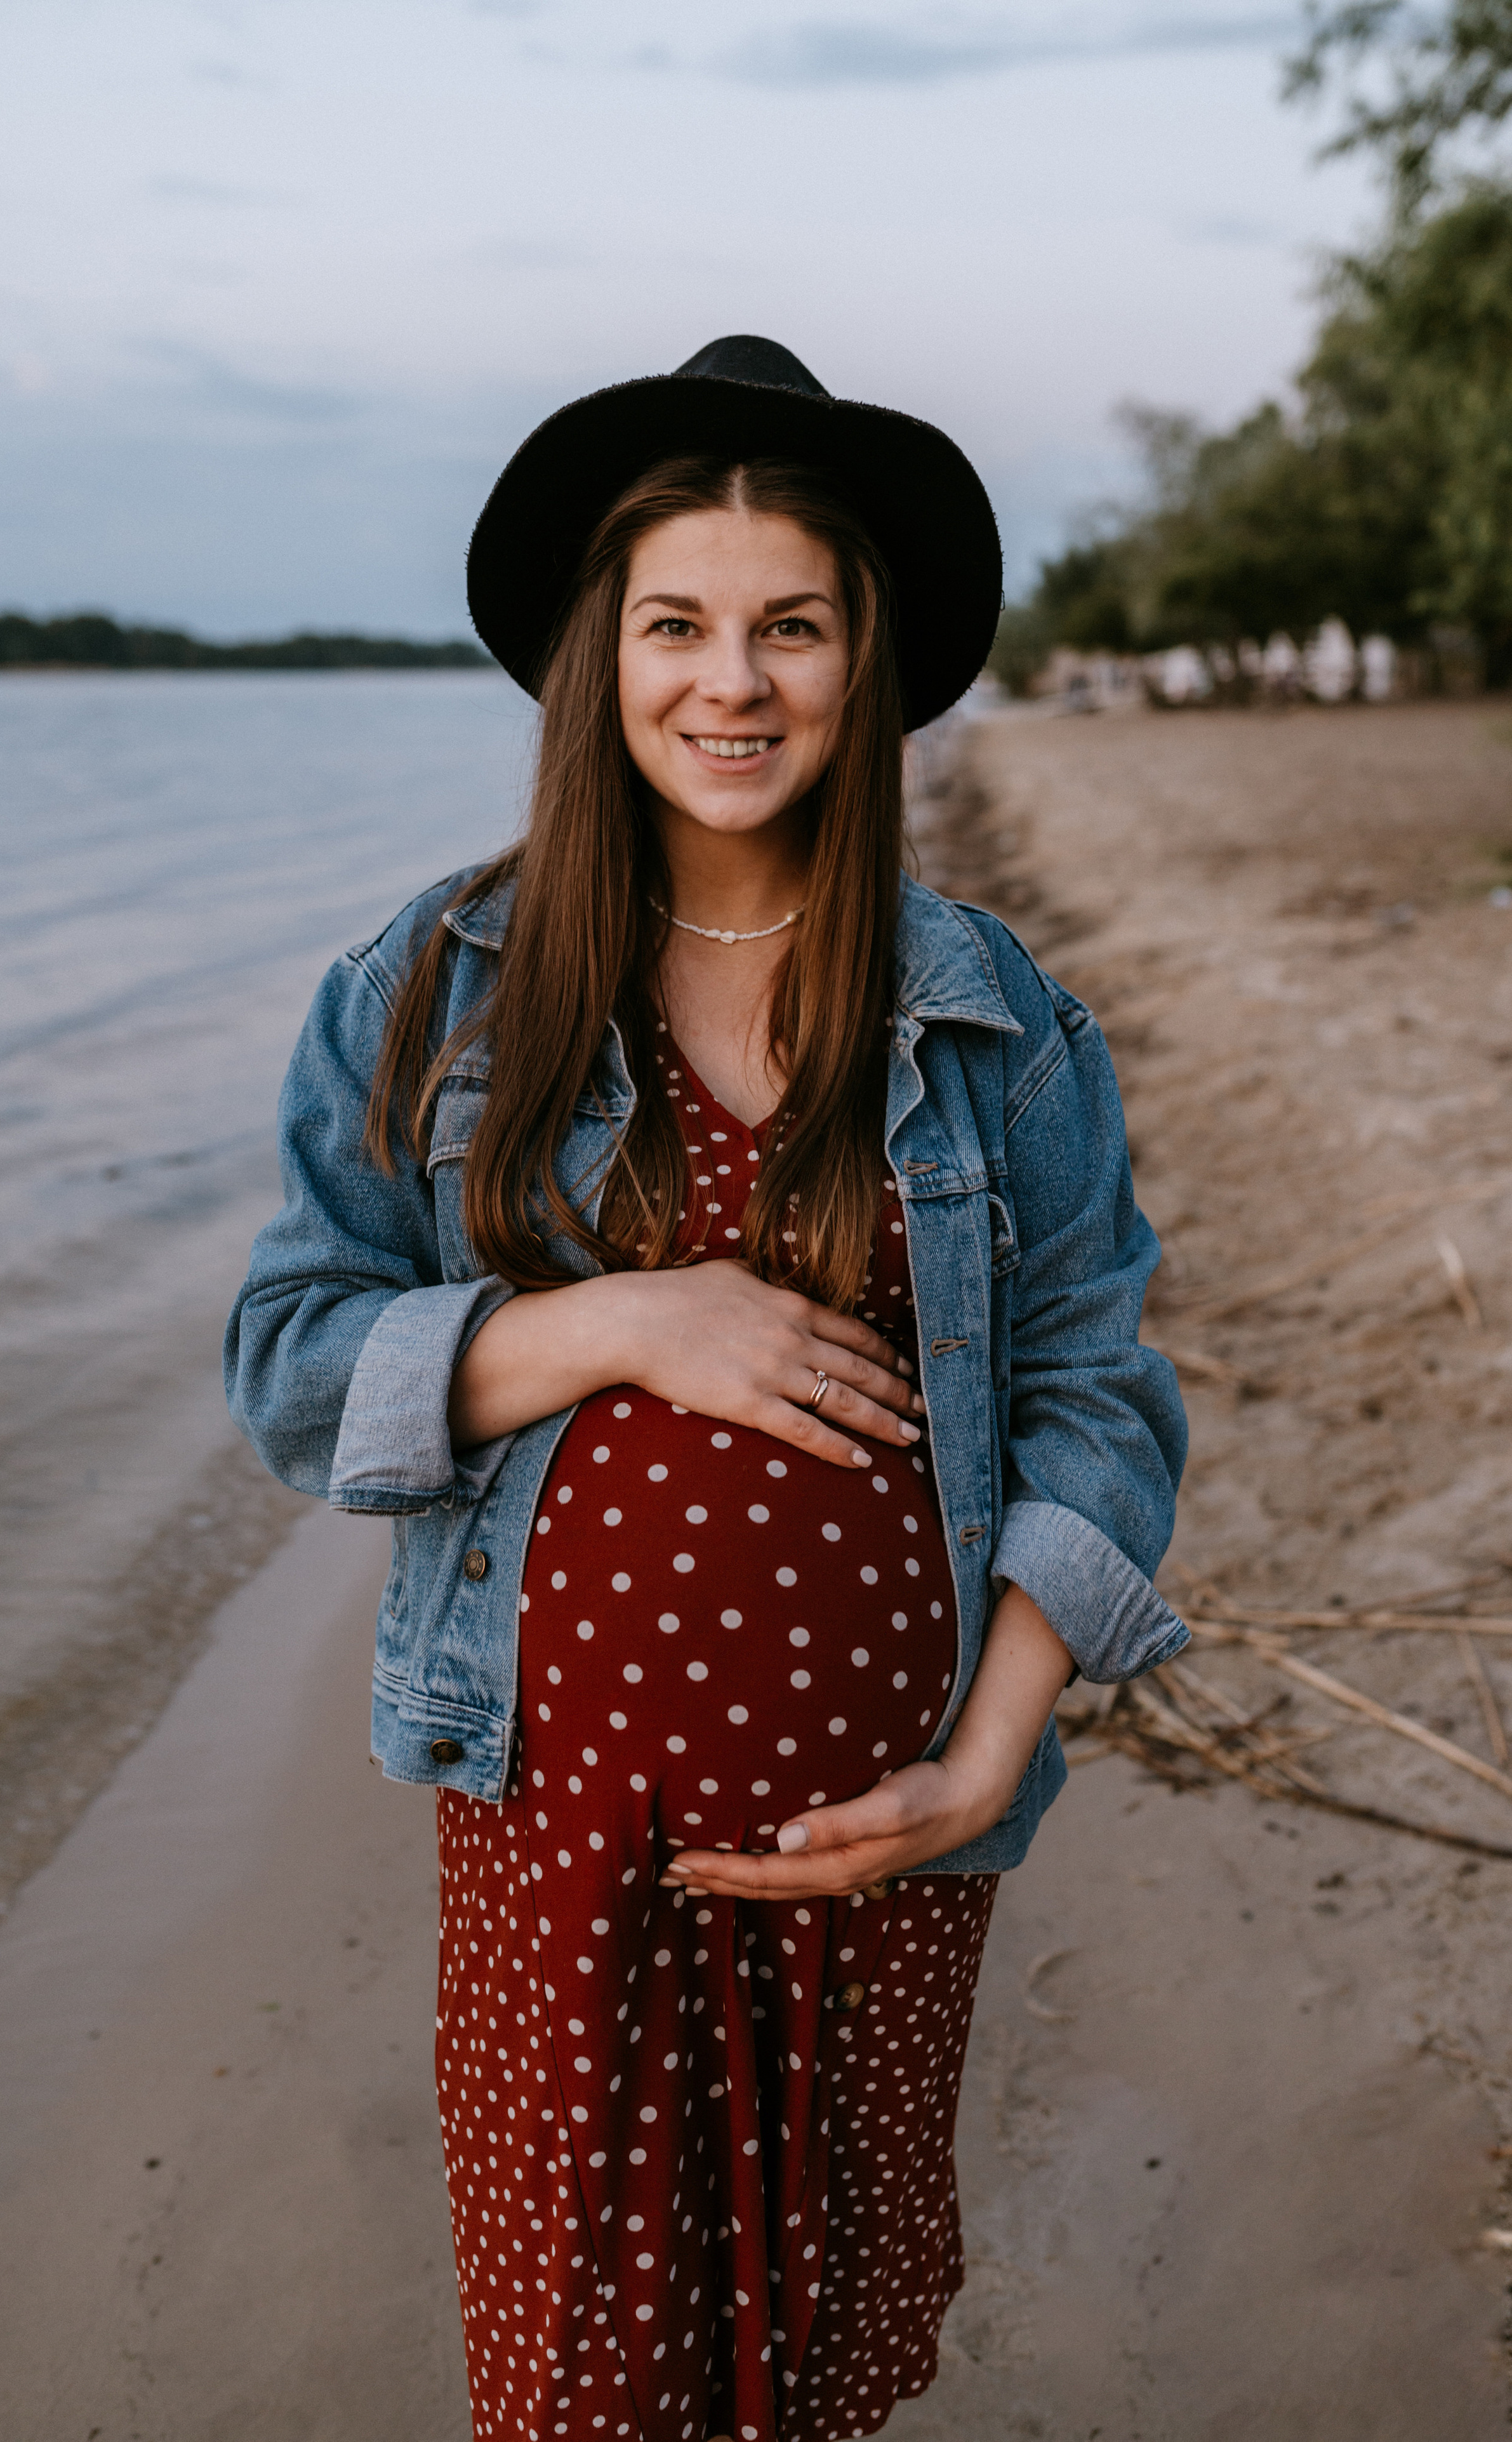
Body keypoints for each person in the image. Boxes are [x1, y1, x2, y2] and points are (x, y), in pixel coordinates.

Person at [225, 334, 1188, 2442]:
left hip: (891, 1846)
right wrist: (620, 1321)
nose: (731, 683)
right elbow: (290, 1364)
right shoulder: (434, 991)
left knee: (829, 2368)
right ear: (605, 657)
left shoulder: (994, 1020)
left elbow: (1099, 1400)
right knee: (586, 2382)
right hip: (562, 1842)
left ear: (865, 664)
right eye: (678, 623)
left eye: (790, 627)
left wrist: (983, 1764)